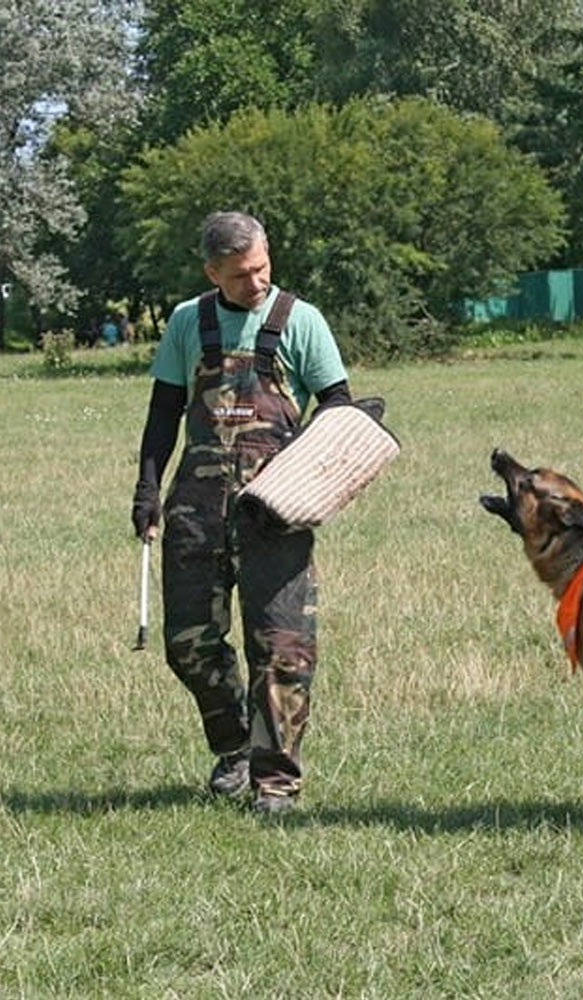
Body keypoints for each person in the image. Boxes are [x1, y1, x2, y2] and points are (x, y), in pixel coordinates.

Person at [131, 211, 352, 814]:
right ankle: (235, 748)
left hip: (277, 512)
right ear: (212, 273)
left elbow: (338, 407)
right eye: (238, 276)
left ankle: (276, 781)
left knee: (282, 649)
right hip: (196, 512)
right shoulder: (186, 323)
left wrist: (323, 479)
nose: (255, 284)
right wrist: (147, 492)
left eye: (260, 269)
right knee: (189, 643)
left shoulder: (300, 321)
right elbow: (163, 413)